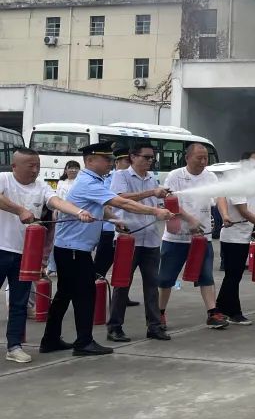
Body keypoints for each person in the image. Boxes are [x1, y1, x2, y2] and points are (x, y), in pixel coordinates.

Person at [47, 143, 172, 356]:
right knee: (85, 296)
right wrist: (154, 211)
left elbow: (101, 208)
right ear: (90, 161)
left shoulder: (93, 180)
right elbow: (121, 202)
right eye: (106, 159)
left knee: (64, 294)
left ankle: (49, 340)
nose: (110, 163)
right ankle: (84, 343)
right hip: (74, 249)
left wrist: (114, 220)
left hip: (72, 248)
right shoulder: (89, 182)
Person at [0, 148, 94, 363]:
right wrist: (20, 210)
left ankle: (14, 345)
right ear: (15, 166)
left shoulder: (41, 185)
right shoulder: (4, 179)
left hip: (24, 255)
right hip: (1, 249)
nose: (35, 170)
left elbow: (55, 201)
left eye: (37, 165)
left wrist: (78, 212)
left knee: (20, 302)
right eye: (30, 165)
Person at [158, 143, 231, 330]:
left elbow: (220, 196)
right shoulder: (175, 176)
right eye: (199, 157)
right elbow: (170, 202)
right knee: (166, 278)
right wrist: (189, 219)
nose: (203, 161)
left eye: (206, 157)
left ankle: (212, 313)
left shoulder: (210, 176)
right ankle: (159, 314)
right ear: (187, 157)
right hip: (176, 238)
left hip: (202, 237)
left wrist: (225, 215)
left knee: (206, 276)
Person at [105, 140, 172, 343]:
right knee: (122, 283)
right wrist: (152, 192)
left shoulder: (152, 178)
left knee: (152, 285)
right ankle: (115, 327)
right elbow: (120, 198)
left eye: (152, 158)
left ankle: (154, 326)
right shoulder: (121, 176)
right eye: (146, 157)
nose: (150, 161)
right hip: (128, 238)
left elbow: (156, 203)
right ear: (133, 157)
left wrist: (165, 203)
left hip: (150, 238)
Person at [216, 153, 255, 325]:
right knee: (233, 275)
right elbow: (243, 211)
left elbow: (252, 208)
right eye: (254, 163)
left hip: (243, 233)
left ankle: (222, 307)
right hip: (232, 235)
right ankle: (233, 312)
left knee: (234, 275)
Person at [92, 145, 137, 311]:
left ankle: (121, 296)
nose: (129, 163)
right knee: (101, 265)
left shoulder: (130, 178)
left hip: (123, 229)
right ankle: (93, 296)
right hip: (108, 229)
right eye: (127, 160)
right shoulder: (107, 179)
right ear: (117, 162)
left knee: (123, 265)